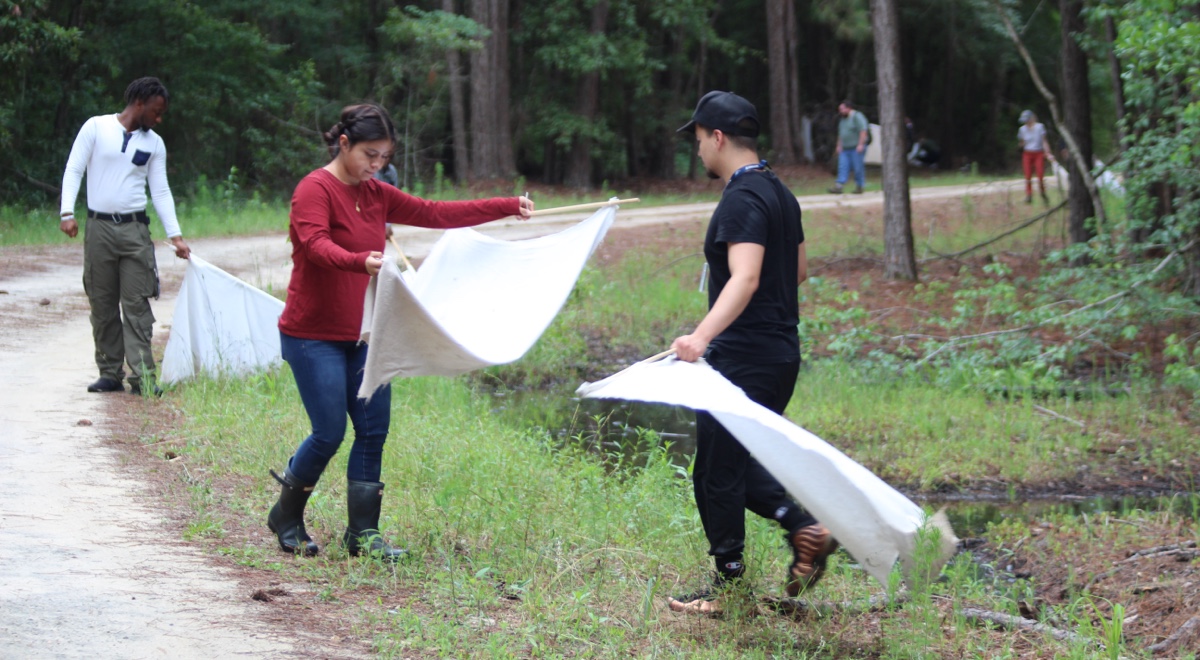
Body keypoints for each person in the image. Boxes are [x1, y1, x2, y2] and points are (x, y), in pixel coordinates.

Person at [266, 103, 533, 561]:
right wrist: (360, 261)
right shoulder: (314, 189)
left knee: (372, 429)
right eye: (370, 155)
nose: (377, 166)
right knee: (329, 432)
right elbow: (314, 246)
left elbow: (436, 212)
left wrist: (506, 206)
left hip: (367, 335)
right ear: (344, 144)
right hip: (312, 334)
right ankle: (287, 516)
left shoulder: (377, 193)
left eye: (385, 157)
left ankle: (363, 535)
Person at [669, 91, 836, 615]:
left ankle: (731, 589)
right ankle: (802, 528)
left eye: (698, 140)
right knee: (729, 464)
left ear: (717, 137)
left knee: (717, 472)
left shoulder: (741, 198)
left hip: (743, 356)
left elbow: (746, 275)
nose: (698, 151)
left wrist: (701, 336)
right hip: (779, 353)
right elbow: (799, 271)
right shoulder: (781, 194)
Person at [59, 76, 191, 396]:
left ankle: (143, 377)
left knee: (136, 303)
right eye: (156, 112)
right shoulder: (96, 127)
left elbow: (160, 191)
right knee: (102, 301)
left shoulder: (154, 144)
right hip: (98, 228)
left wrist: (176, 236)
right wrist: (67, 213)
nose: (158, 119)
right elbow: (75, 168)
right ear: (139, 103)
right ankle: (109, 372)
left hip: (135, 231)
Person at [828, 100, 868, 194]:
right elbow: (841, 133)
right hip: (845, 149)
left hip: (856, 148)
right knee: (842, 166)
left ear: (849, 108)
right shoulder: (843, 119)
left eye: (842, 109)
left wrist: (860, 144)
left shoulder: (857, 116)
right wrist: (839, 145)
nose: (840, 111)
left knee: (858, 168)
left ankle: (859, 186)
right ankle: (839, 186)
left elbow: (863, 131)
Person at [1018, 109, 1054, 204]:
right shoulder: (1022, 129)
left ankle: (1043, 193)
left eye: (1027, 120)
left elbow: (1044, 141)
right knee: (1028, 175)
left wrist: (1048, 152)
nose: (1026, 122)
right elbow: (1021, 143)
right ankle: (1028, 195)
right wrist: (1021, 143)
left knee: (1040, 174)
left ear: (1031, 119)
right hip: (1027, 153)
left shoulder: (1040, 127)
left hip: (1038, 153)